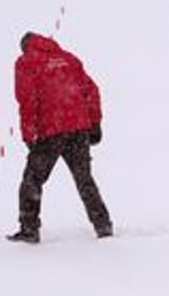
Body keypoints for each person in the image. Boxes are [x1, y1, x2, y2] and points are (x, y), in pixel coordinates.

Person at [7, 32, 113, 244]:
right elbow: (91, 90)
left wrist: (29, 136)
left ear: (25, 46)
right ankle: (103, 225)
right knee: (84, 180)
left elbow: (27, 101)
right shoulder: (69, 58)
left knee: (33, 180)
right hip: (78, 129)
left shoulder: (26, 62)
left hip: (51, 130)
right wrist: (95, 123)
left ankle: (29, 229)